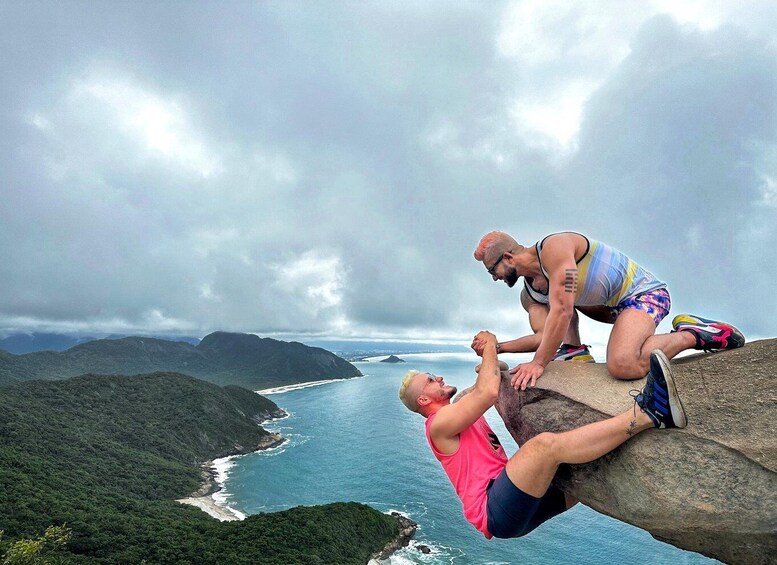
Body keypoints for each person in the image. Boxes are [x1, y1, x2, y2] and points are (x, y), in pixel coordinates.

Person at [398, 331, 686, 539]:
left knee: (581, 480)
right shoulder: (438, 425)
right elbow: (487, 392)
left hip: (512, 504)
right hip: (493, 508)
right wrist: (489, 345)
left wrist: (493, 364)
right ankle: (651, 413)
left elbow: (487, 382)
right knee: (543, 446)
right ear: (424, 401)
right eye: (431, 380)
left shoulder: (457, 411)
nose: (439, 378)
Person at [473, 231, 745, 389]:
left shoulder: (555, 248)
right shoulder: (530, 294)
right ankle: (574, 350)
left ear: (508, 257)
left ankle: (694, 334)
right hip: (613, 309)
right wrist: (497, 347)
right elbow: (543, 335)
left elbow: (564, 311)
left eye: (491, 269)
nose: (493, 277)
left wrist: (539, 363)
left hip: (645, 295)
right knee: (556, 301)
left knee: (623, 364)